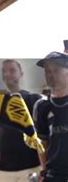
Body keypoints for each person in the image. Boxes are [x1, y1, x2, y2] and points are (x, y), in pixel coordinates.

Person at [0, 60, 42, 182]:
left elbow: (43, 139)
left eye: (12, 70)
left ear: (21, 73)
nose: (7, 74)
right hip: (5, 172)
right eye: (4, 71)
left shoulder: (34, 100)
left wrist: (44, 169)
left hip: (32, 169)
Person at [33, 51, 68, 182]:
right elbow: (42, 142)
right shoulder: (41, 106)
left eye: (56, 70)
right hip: (53, 175)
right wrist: (44, 170)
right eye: (47, 71)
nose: (51, 75)